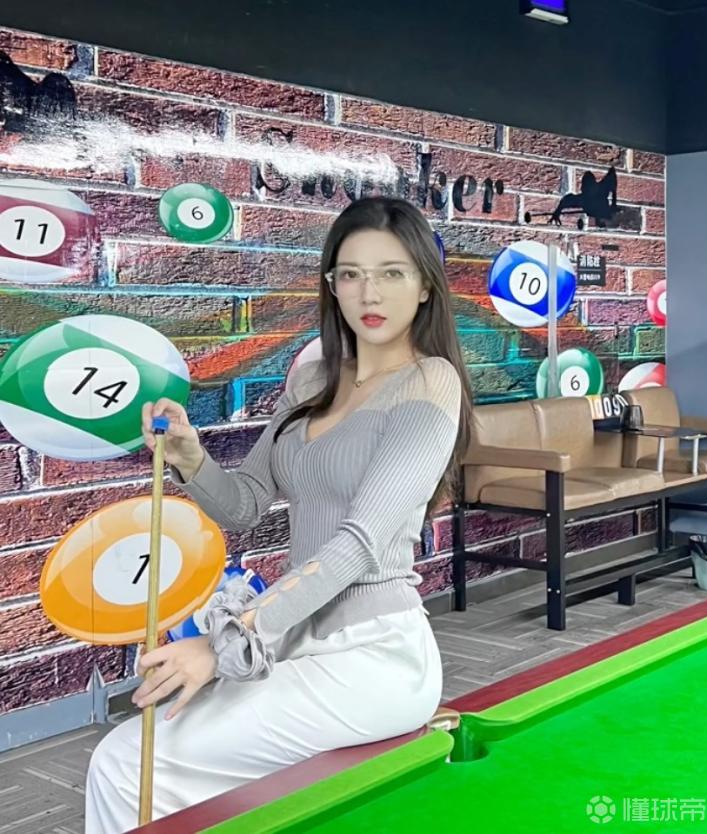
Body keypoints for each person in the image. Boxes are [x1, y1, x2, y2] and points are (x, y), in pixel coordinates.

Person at [84, 196, 473, 833]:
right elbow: (244, 503)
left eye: (392, 272)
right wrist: (190, 457)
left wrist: (224, 644)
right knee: (149, 765)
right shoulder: (315, 378)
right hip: (291, 640)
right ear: (332, 285)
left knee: (128, 762)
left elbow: (358, 545)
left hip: (373, 658)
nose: (369, 292)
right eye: (351, 274)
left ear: (425, 286)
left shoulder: (430, 382)